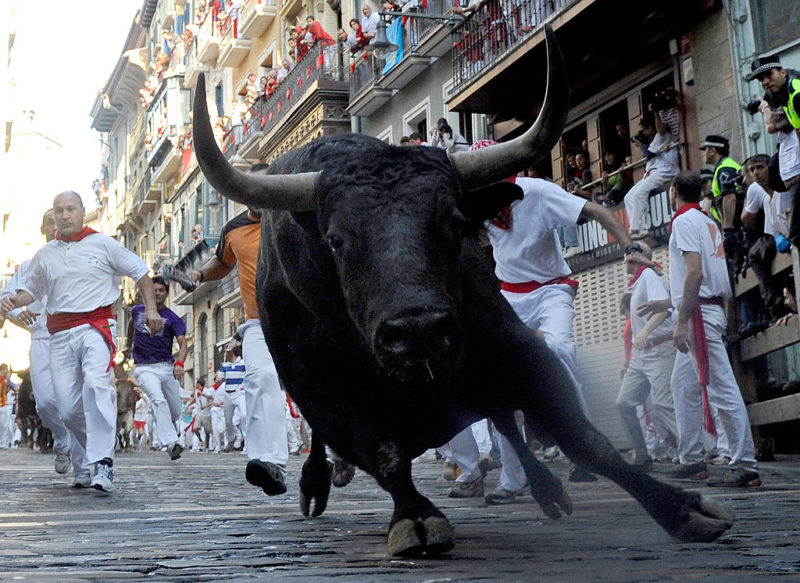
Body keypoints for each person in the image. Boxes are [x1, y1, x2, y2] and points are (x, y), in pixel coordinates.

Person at [474, 139, 657, 500]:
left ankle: (582, 446)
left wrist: (629, 246)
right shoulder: (476, 203)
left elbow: (597, 211)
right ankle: (513, 480)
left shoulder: (537, 193)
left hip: (550, 289)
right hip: (509, 295)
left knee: (559, 349)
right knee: (497, 381)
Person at [0, 191, 163, 493]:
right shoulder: (45, 255)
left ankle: (102, 462)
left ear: (81, 212)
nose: (64, 216)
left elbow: (140, 272)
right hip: (58, 334)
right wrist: (12, 301)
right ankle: (91, 450)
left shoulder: (103, 244)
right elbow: (30, 291)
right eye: (59, 211)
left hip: (95, 327)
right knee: (66, 409)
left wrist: (151, 309)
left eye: (70, 210)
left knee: (97, 386)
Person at [641, 172, 760, 487]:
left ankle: (745, 462)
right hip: (706, 308)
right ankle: (692, 458)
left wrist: (680, 319)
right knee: (683, 386)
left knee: (721, 388)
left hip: (698, 314)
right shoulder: (708, 222)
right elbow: (703, 277)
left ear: (674, 191)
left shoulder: (683, 222)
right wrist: (669, 303)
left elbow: (694, 275)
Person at [188, 165, 289, 496]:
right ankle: (267, 461)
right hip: (258, 322)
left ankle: (336, 453)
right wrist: (200, 275)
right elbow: (222, 262)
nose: (257, 192)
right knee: (260, 380)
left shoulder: (292, 217)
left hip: (301, 320)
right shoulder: (234, 229)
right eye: (251, 187)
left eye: (265, 186)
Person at [1, 210, 73, 472]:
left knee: (77, 399)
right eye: (50, 222)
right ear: (43, 229)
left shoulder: (78, 260)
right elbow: (6, 298)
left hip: (74, 336)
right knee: (44, 402)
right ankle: (63, 440)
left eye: (60, 221)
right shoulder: (29, 266)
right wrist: (20, 314)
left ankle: (88, 460)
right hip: (43, 339)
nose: (55, 226)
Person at [615, 243, 678, 469]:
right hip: (641, 355)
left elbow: (665, 310)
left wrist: (645, 330)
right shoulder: (641, 279)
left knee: (664, 404)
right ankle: (642, 454)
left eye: (627, 254)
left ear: (631, 258)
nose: (624, 259)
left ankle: (692, 453)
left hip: (658, 349)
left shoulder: (650, 276)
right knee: (624, 403)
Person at [125, 275, 187, 461]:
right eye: (154, 290)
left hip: (166, 367)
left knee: (175, 410)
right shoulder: (137, 311)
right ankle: (171, 443)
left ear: (167, 293)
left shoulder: (173, 318)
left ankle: (171, 433)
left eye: (161, 290)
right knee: (158, 400)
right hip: (144, 368)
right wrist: (129, 345)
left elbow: (183, 344)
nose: (157, 293)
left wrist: (180, 364)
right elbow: (130, 326)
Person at [625, 117, 680, 239]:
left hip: (665, 171)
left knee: (639, 194)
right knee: (628, 197)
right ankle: (638, 228)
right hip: (653, 172)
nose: (643, 133)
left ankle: (636, 229)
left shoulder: (662, 136)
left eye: (644, 129)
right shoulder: (653, 140)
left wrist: (640, 145)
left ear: (650, 128)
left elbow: (649, 154)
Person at [699, 135, 741, 229]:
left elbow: (729, 198)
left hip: (738, 224)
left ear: (712, 151)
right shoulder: (722, 167)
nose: (704, 154)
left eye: (705, 150)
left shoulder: (725, 168)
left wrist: (727, 229)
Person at [217, 342, 247, 452]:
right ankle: (231, 438)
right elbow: (219, 380)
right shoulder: (225, 366)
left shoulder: (243, 363)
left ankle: (247, 444)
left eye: (228, 352)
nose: (226, 354)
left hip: (240, 393)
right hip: (228, 394)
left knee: (244, 415)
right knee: (228, 421)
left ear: (233, 353)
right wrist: (218, 378)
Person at [191, 377, 214, 451]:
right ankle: (200, 440)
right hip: (199, 413)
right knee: (195, 428)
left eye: (196, 383)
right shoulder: (196, 391)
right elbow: (193, 398)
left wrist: (203, 395)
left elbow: (211, 398)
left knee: (207, 431)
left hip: (206, 413)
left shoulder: (207, 390)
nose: (195, 385)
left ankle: (206, 446)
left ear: (199, 384)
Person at [0, 364, 16, 449]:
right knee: (3, 425)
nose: (8, 372)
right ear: (2, 369)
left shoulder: (7, 380)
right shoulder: (6, 380)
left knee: (4, 425)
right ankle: (2, 442)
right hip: (3, 405)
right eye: (6, 370)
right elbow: (15, 387)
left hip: (3, 404)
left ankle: (2, 443)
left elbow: (14, 387)